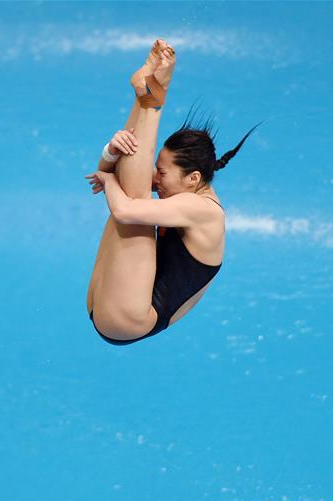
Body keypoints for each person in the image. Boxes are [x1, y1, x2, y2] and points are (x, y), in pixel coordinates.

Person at [84, 39, 260, 346]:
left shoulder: (201, 210)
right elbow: (111, 171)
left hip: (131, 318)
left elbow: (123, 207)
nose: (157, 178)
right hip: (111, 304)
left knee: (133, 199)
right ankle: (145, 98)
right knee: (132, 187)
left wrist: (109, 181)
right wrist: (111, 152)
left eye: (162, 172)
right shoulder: (183, 190)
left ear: (193, 178)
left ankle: (151, 103)